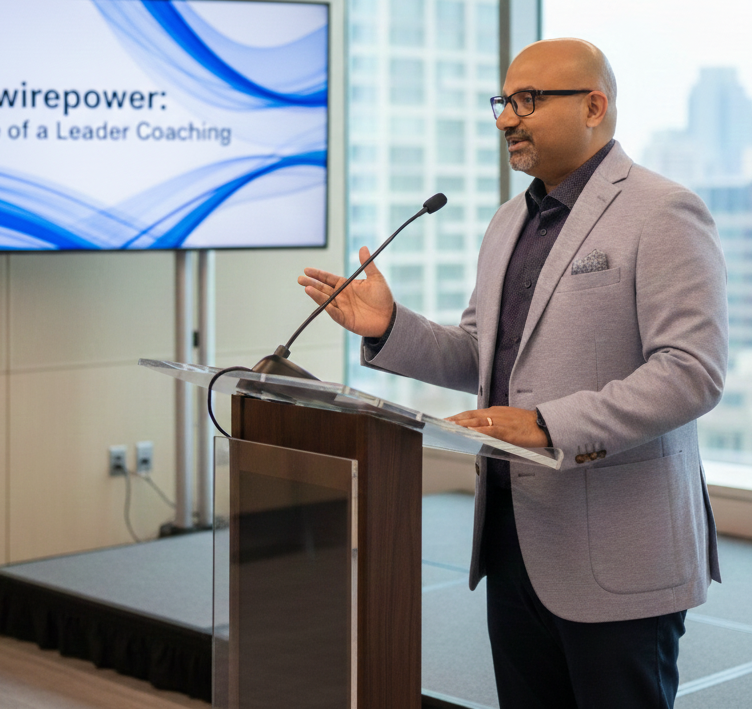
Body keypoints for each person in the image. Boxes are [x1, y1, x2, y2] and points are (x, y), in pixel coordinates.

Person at [298, 37, 727, 709]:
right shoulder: (508, 222)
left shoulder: (662, 211)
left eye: (528, 100)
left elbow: (691, 372)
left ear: (593, 105)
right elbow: (481, 355)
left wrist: (549, 425)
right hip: (513, 543)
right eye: (503, 101)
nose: (505, 119)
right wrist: (388, 326)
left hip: (617, 548)